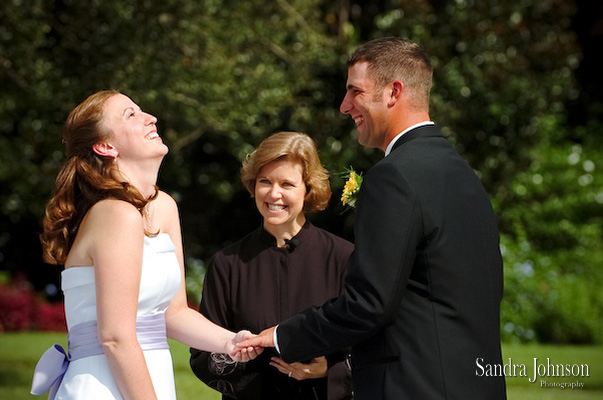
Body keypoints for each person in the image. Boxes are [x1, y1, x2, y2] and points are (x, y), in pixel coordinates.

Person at [239, 37, 507, 399]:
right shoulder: (463, 176)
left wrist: (283, 335)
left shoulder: (393, 176)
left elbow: (369, 304)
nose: (344, 106)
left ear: (393, 92)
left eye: (355, 91)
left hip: (415, 386)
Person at [31, 90, 261, 400]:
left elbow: (174, 312)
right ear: (105, 146)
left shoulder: (163, 206)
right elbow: (114, 338)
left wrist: (230, 342)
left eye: (142, 111)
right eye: (130, 115)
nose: (149, 117)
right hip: (104, 386)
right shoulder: (115, 214)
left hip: (148, 380)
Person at [190, 131, 354, 400]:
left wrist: (329, 370)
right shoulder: (227, 264)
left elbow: (374, 342)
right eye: (265, 181)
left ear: (308, 189)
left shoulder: (344, 257)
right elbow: (201, 354)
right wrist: (240, 357)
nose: (274, 194)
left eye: (287, 184)